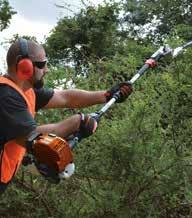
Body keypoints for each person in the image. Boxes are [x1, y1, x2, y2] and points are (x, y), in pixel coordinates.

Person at [0, 38, 133, 193]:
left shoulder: (26, 90)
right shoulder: (6, 96)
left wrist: (106, 95)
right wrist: (77, 122)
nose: (47, 70)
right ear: (23, 65)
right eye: (42, 64)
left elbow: (66, 97)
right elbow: (32, 137)